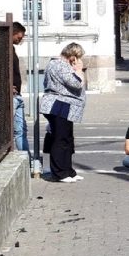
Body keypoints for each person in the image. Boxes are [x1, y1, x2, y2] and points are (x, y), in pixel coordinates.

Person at [40, 43, 86, 183]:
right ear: (72, 56)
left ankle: (68, 171)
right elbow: (76, 83)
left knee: (67, 139)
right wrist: (79, 71)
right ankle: (59, 173)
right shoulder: (60, 64)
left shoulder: (60, 64)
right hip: (59, 105)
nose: (78, 60)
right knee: (60, 139)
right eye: (78, 57)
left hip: (63, 105)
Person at [11, 21, 29, 156]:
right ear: (13, 33)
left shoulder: (11, 48)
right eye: (19, 36)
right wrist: (5, 86)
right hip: (9, 96)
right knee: (5, 131)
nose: (21, 39)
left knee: (21, 130)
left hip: (17, 95)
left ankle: (26, 159)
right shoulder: (2, 47)